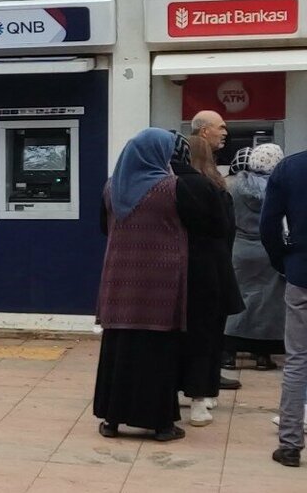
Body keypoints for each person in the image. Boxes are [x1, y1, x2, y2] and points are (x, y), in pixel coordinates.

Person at [94, 128, 198, 442]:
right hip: (160, 287)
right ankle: (161, 425)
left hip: (119, 283)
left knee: (118, 351)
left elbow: (103, 227)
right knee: (157, 354)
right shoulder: (172, 187)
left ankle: (112, 421)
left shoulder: (112, 188)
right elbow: (201, 224)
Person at [172, 134, 243, 427]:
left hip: (178, 269)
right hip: (213, 270)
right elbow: (226, 231)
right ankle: (203, 395)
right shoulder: (217, 188)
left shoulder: (172, 186)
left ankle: (178, 385)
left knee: (179, 334)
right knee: (209, 335)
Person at [260, 147, 307, 468]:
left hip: (302, 273)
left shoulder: (290, 169)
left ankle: (290, 445)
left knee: (298, 359)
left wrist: (284, 262)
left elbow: (269, 226)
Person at [224, 144, 286, 372]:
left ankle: (228, 353)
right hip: (268, 250)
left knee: (237, 297)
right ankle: (262, 355)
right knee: (266, 303)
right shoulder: (279, 187)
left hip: (238, 249)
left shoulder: (231, 186)